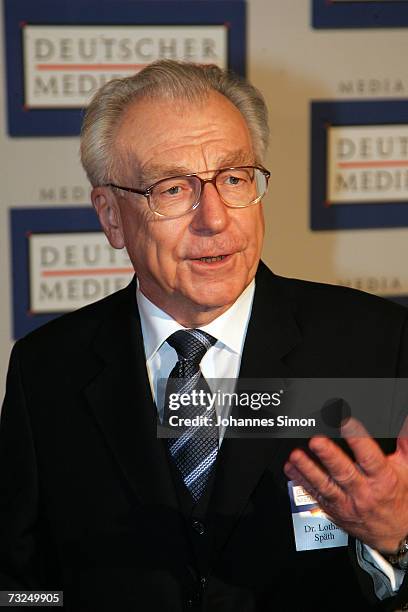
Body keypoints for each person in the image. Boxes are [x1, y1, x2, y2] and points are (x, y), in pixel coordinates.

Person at [0, 60, 407, 612]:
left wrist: (398, 543)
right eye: (172, 189)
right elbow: (22, 585)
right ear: (112, 216)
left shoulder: (376, 344)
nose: (214, 218)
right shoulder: (46, 369)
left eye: (234, 179)